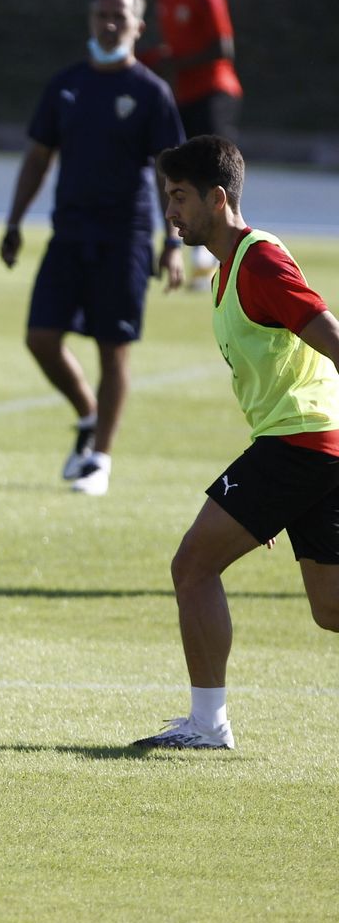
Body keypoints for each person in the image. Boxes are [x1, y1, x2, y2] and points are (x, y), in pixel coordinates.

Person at [137, 135, 339, 749]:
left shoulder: (258, 263)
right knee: (331, 610)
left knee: (192, 566)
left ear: (217, 198)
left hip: (300, 445)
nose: (170, 211)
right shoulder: (232, 267)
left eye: (178, 198)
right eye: (165, 197)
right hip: (311, 446)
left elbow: (331, 334)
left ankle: (207, 726)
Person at [0, 0, 186, 497]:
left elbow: (168, 174)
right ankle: (87, 414)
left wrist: (172, 241)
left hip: (124, 237)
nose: (108, 24)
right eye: (101, 14)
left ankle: (99, 460)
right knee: (40, 338)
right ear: (89, 19)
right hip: (69, 233)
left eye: (118, 17)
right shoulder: (66, 84)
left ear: (138, 27)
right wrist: (14, 221)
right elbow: (39, 157)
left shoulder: (151, 93)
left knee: (114, 350)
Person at [143, 0, 244, 287]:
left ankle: (221, 258)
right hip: (183, 96)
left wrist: (177, 62)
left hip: (213, 93)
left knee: (215, 176)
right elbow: (177, 45)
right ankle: (193, 251)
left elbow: (223, 49)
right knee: (176, 171)